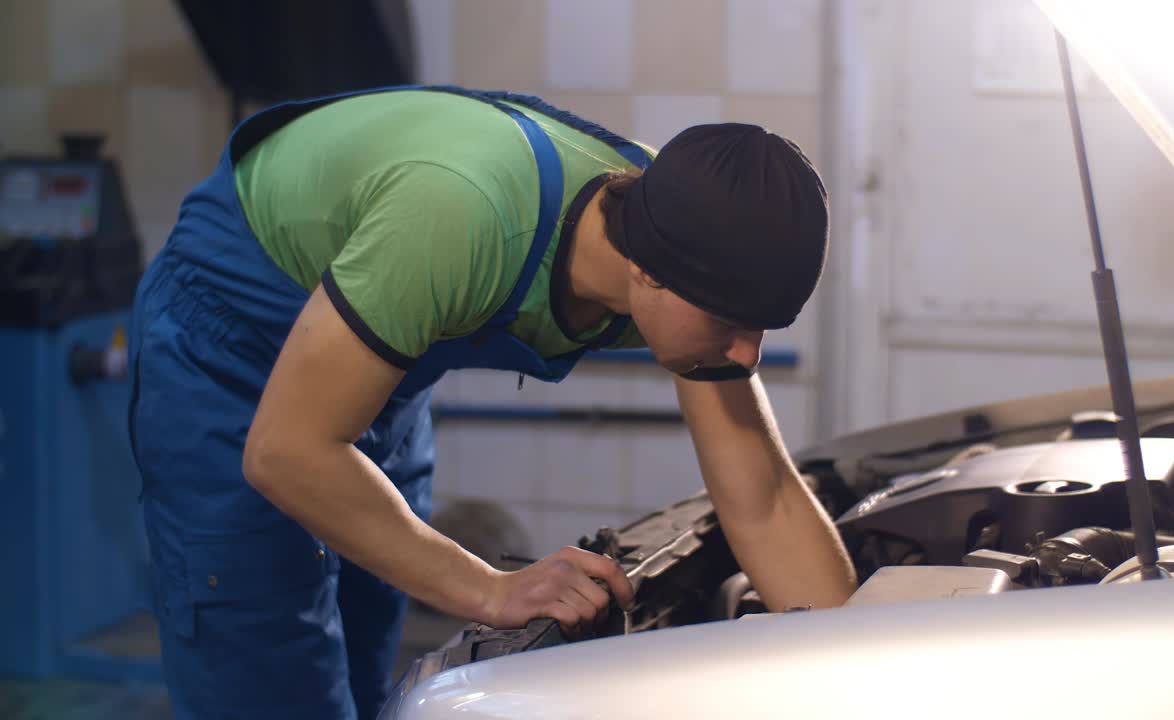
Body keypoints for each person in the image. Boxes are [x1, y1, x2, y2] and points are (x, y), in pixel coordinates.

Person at [128, 85, 856, 719]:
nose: (747, 354)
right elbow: (286, 451)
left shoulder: (693, 231)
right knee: (267, 665)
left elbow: (760, 498)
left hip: (375, 353)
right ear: (646, 272)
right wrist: (488, 589)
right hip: (229, 347)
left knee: (364, 644)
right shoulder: (460, 217)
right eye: (731, 322)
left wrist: (859, 663)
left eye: (763, 326)